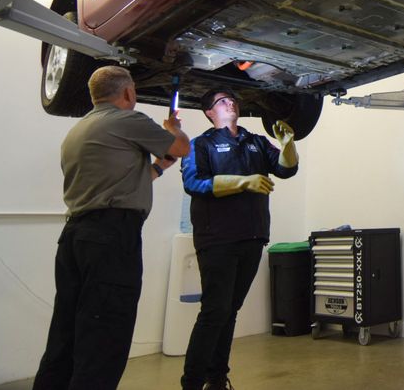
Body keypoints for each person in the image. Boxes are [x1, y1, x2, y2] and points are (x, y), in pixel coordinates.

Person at [33, 66, 190, 390]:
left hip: (76, 237)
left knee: (66, 334)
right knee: (105, 338)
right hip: (112, 238)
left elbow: (121, 180)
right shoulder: (127, 121)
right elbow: (181, 148)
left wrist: (158, 168)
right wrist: (174, 129)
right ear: (129, 93)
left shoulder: (79, 131)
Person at [180, 89, 300, 390]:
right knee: (214, 312)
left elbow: (287, 169)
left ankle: (217, 379)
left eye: (232, 99)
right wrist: (243, 182)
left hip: (252, 237)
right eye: (222, 101)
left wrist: (288, 145)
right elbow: (194, 183)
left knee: (229, 311)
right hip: (217, 239)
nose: (230, 102)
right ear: (209, 112)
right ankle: (192, 383)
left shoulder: (256, 141)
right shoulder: (201, 144)